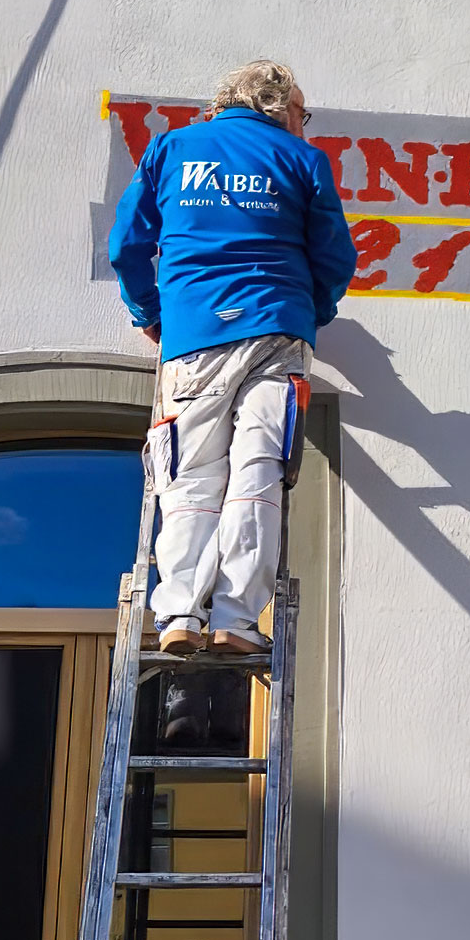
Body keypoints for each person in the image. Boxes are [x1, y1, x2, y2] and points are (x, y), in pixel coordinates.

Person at [109, 60, 357, 656]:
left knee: (190, 475)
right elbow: (335, 256)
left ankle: (178, 614)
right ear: (279, 107)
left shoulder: (172, 149)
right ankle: (237, 619)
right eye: (302, 112)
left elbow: (127, 244)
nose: (303, 122)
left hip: (194, 334)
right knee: (257, 471)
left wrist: (149, 313)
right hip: (275, 331)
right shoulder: (302, 159)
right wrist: (313, 310)